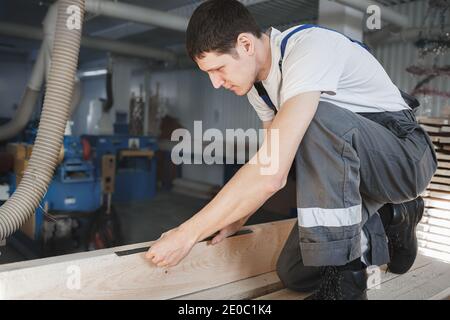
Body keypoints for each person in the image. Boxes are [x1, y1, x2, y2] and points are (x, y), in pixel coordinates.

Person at [145, 0, 437, 300]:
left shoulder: (309, 48)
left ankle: (348, 286)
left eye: (218, 68)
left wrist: (187, 233)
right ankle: (395, 214)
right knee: (295, 272)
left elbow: (270, 174)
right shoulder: (259, 89)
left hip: (405, 157)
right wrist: (238, 214)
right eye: (208, 73)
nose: (216, 83)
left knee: (315, 117)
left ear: (245, 44)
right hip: (357, 180)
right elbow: (274, 164)